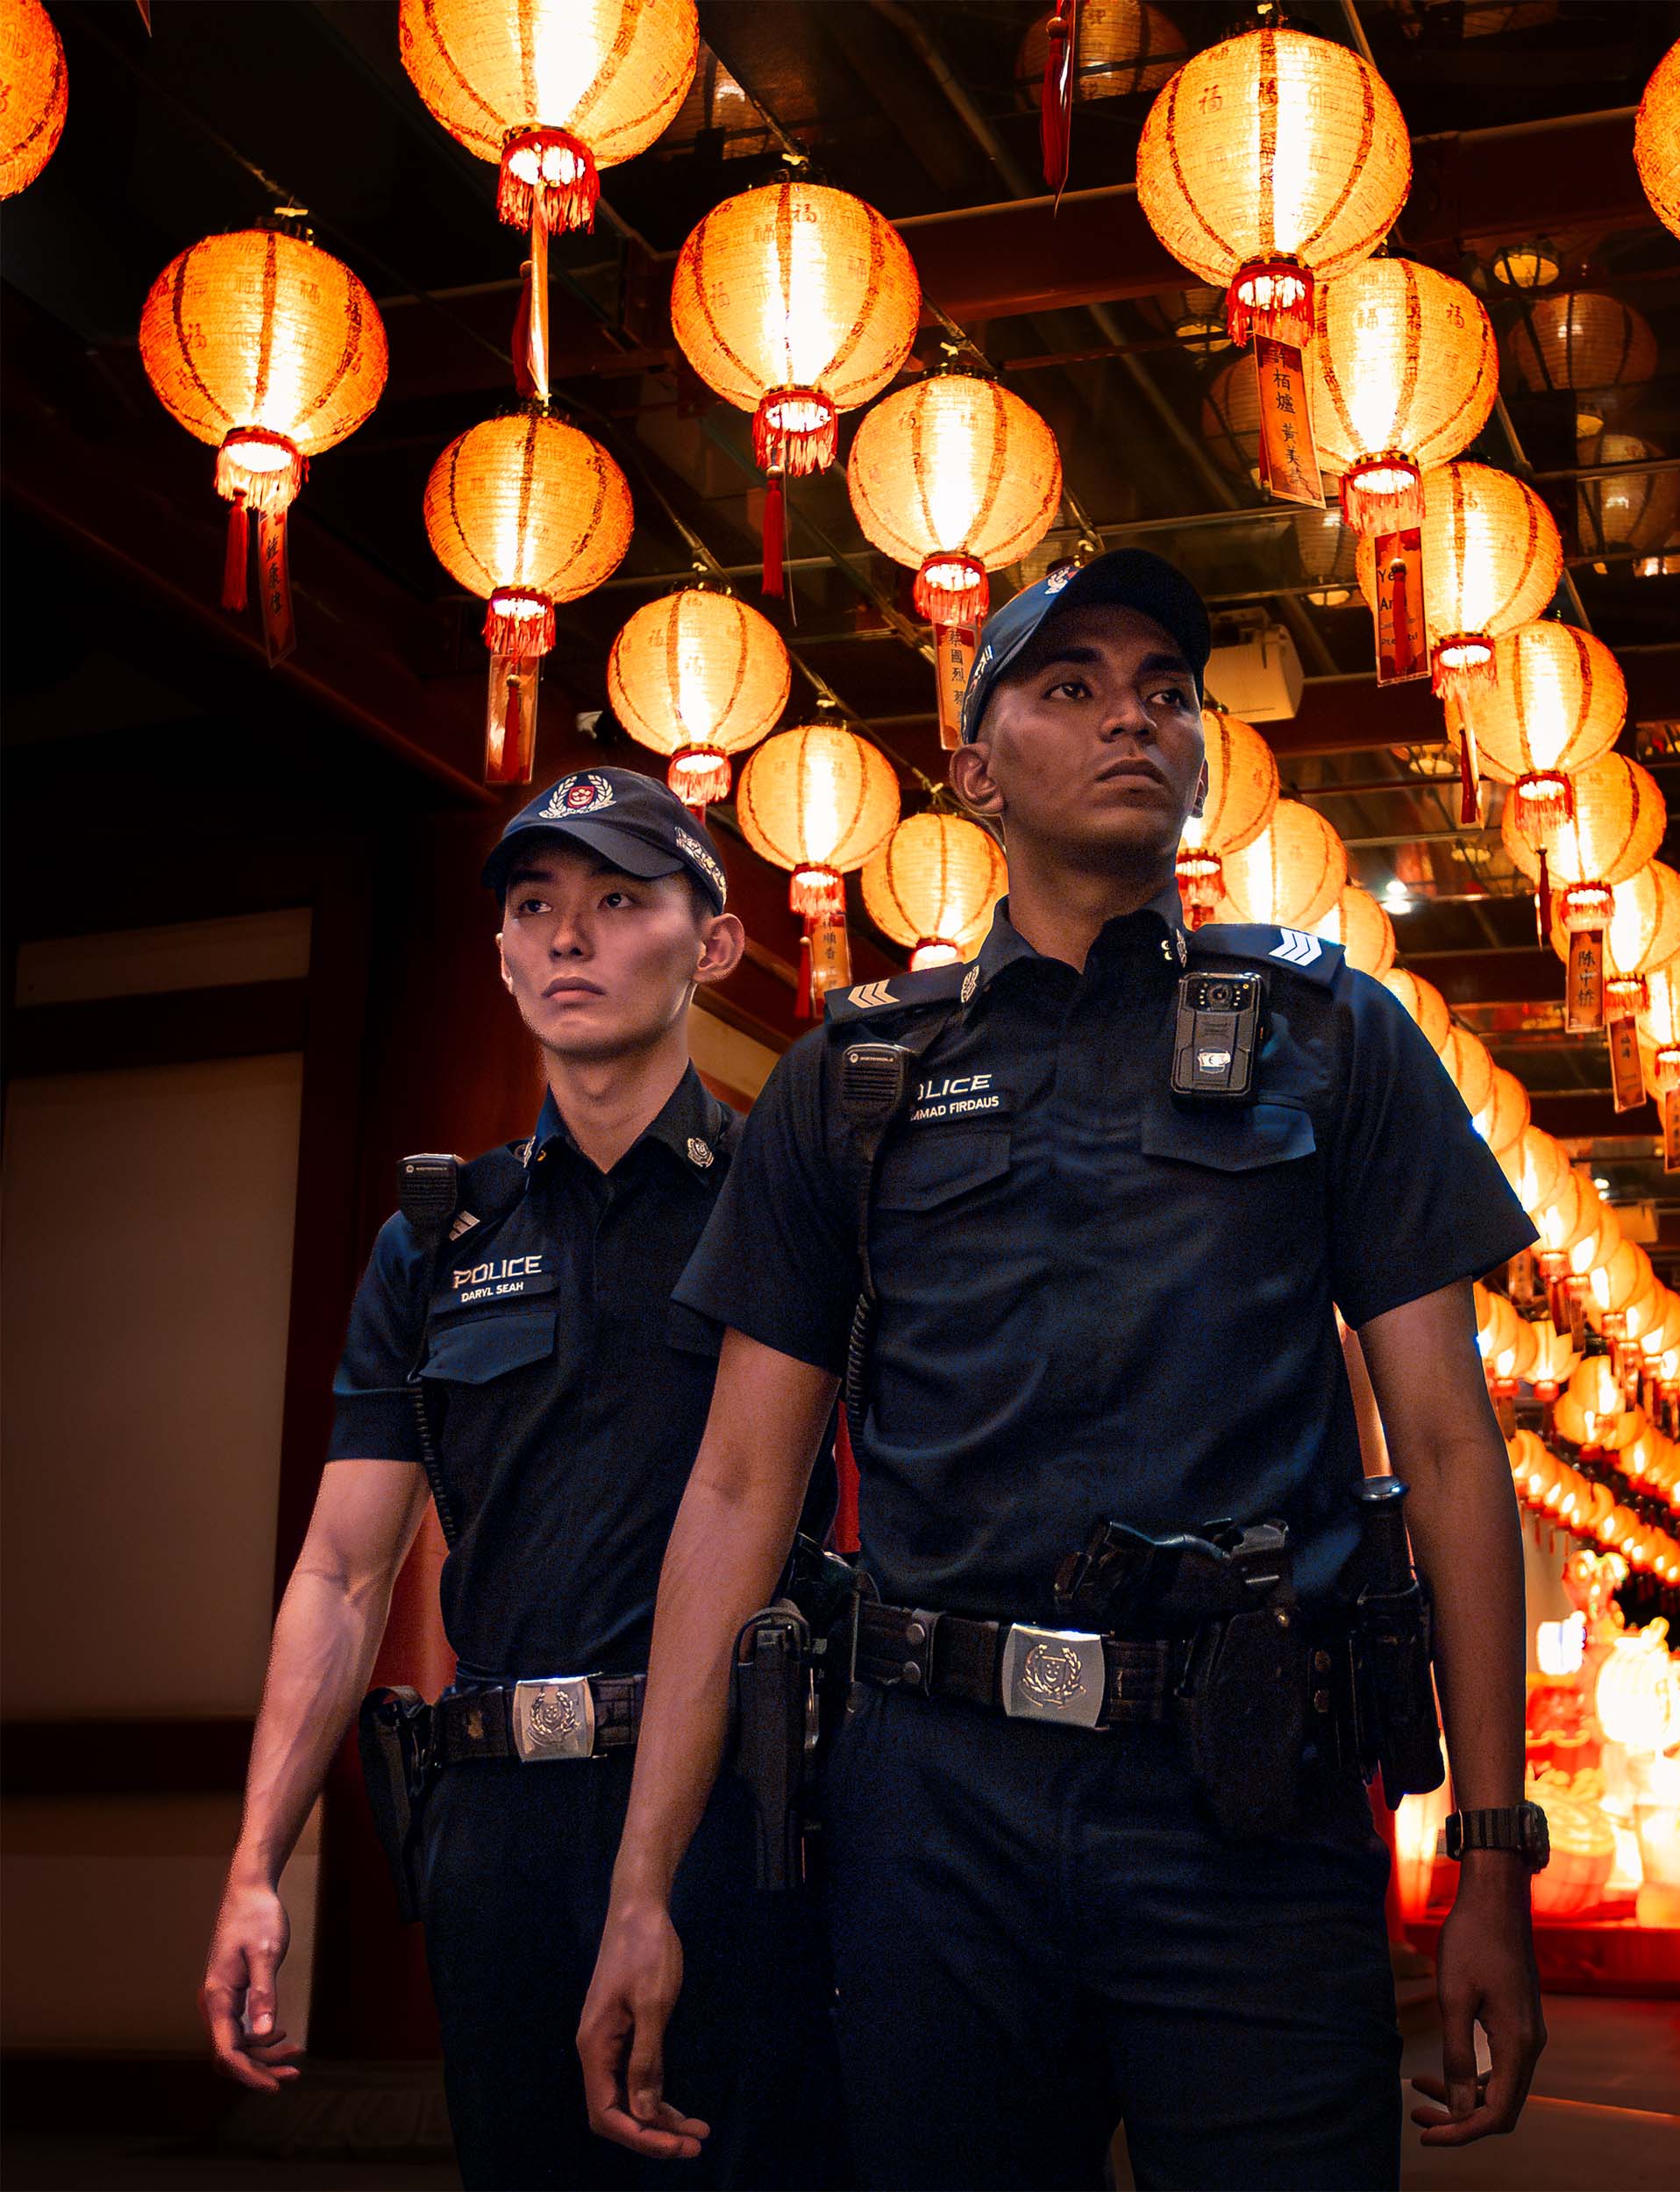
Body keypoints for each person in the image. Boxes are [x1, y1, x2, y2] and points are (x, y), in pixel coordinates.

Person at [577, 551, 1551, 2192]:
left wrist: (1494, 1862)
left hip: (1254, 1804)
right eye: (1070, 686)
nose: (1135, 720)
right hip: (934, 1810)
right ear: (973, 764)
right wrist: (641, 1884)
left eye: (1167, 691)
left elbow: (1450, 1454)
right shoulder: (856, 1075)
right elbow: (740, 1486)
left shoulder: (1337, 1037)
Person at [202, 766, 842, 2192]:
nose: (570, 938)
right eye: (537, 907)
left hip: (736, 1811)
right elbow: (343, 1569)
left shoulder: (790, 1207)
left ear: (716, 944)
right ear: (496, 953)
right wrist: (258, 1861)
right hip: (492, 1820)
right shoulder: (435, 1240)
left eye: (621, 902)